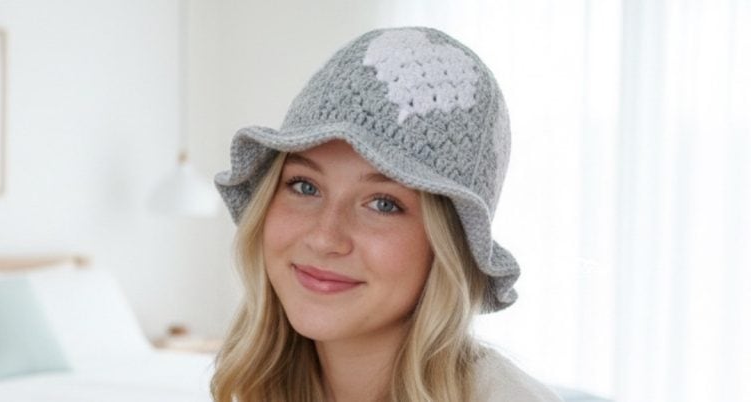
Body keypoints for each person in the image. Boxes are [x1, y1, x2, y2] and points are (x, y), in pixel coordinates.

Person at [212, 26, 564, 402]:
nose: (324, 238)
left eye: (383, 204)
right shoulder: (259, 387)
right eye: (305, 186)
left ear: (448, 244)